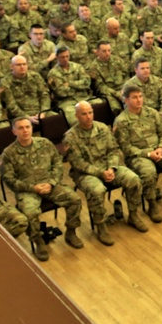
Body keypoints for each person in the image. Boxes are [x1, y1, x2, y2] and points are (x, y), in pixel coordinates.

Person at [64, 101, 149, 245]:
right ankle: (101, 226)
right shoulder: (71, 137)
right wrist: (100, 173)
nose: (88, 116)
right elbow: (79, 164)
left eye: (90, 112)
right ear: (77, 116)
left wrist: (111, 168)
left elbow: (113, 150)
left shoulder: (102, 128)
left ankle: (133, 215)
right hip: (86, 173)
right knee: (97, 190)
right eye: (84, 114)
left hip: (109, 166)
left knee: (133, 179)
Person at [1, 116, 84, 261]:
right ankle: (38, 241)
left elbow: (58, 164)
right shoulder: (8, 153)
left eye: (27, 127)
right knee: (29, 212)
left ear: (32, 128)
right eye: (20, 128)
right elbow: (9, 180)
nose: (25, 130)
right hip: (28, 191)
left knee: (74, 199)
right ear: (14, 132)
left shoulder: (45, 143)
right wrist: (32, 188)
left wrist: (51, 183)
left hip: (49, 184)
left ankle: (71, 232)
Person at [114, 86, 162, 220]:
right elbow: (126, 148)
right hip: (138, 156)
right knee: (149, 173)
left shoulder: (152, 113)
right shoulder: (121, 121)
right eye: (134, 97)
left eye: (140, 96)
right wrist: (148, 154)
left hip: (159, 149)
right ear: (126, 100)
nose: (139, 100)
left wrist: (161, 148)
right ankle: (152, 204)